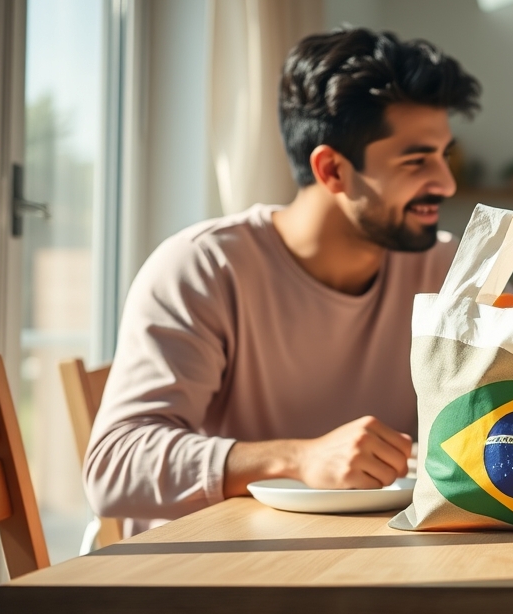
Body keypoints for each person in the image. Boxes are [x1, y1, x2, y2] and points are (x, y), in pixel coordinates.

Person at [84, 29, 481, 532]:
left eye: (445, 156)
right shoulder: (205, 268)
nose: (445, 183)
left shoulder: (445, 270)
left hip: (372, 564)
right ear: (332, 170)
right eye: (416, 160)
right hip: (217, 579)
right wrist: (297, 459)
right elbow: (114, 465)